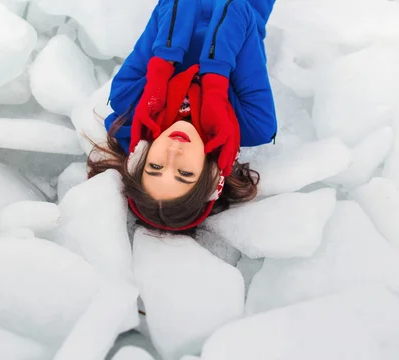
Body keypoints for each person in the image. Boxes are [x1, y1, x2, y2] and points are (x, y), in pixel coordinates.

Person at [87, 0, 278, 233]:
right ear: (211, 176)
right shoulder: (254, 123)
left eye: (155, 166)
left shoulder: (129, 97)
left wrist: (161, 70)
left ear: (139, 157)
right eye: (185, 173)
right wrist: (215, 86)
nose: (173, 153)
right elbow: (238, 8)